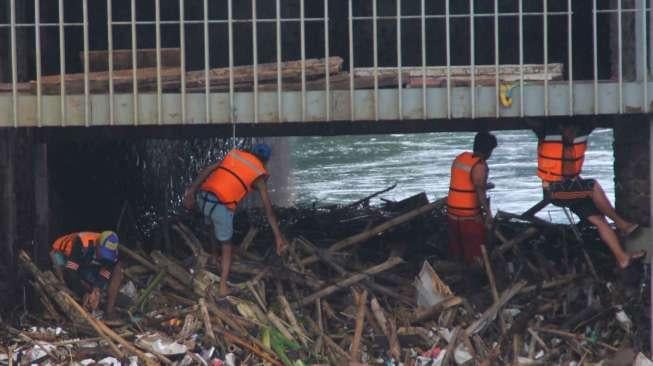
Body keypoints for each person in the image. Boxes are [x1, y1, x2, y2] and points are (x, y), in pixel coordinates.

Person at [532, 121, 645, 269]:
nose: (573, 133)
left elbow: (594, 120)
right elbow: (534, 122)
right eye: (570, 129)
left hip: (572, 190)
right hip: (555, 190)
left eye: (575, 130)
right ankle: (621, 224)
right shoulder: (547, 136)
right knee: (592, 186)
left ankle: (622, 258)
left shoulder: (576, 139)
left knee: (600, 220)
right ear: (561, 129)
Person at [183, 143, 288, 296]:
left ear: (251, 152)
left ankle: (213, 256)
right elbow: (268, 210)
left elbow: (208, 169)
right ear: (266, 161)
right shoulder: (259, 174)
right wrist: (278, 237)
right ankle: (223, 286)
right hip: (220, 206)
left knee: (211, 225)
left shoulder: (235, 156)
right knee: (227, 246)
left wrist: (191, 190)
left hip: (204, 199)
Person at [447, 131, 498, 264]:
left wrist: (484, 185)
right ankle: (477, 272)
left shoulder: (461, 158)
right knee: (476, 252)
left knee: (457, 250)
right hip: (469, 215)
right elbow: (480, 192)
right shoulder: (479, 166)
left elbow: (464, 183)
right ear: (488, 151)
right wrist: (488, 214)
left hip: (452, 212)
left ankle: (458, 268)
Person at [50, 231, 123, 318]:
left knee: (92, 283)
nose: (104, 256)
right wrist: (84, 293)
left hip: (85, 260)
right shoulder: (83, 242)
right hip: (61, 253)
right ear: (98, 245)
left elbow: (106, 271)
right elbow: (71, 271)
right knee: (64, 279)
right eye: (103, 253)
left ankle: (107, 310)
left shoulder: (113, 255)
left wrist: (97, 288)